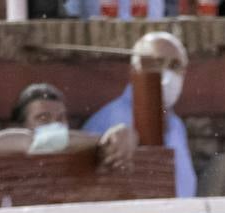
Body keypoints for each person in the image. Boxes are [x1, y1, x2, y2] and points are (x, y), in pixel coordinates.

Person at [83, 32, 195, 198]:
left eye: (175, 65)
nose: (167, 73)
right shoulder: (110, 121)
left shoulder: (176, 125)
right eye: (158, 63)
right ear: (134, 69)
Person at [0, 83, 135, 172]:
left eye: (61, 118)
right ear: (19, 126)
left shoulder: (80, 144)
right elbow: (39, 141)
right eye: (43, 118)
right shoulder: (1, 142)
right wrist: (105, 139)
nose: (55, 125)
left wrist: (123, 133)